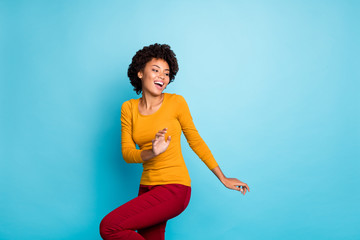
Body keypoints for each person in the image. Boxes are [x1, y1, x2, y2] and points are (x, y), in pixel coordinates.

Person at [99, 43, 250, 240]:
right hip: (146, 188)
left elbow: (195, 140)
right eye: (155, 70)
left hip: (174, 188)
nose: (162, 76)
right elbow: (127, 153)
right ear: (140, 73)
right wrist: (151, 152)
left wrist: (223, 178)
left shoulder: (176, 103)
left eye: (167, 73)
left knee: (109, 227)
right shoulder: (128, 108)